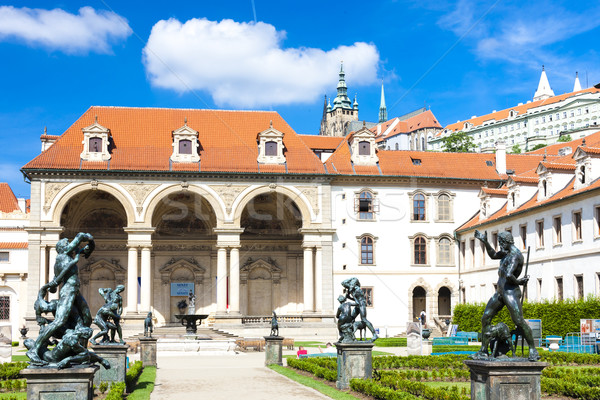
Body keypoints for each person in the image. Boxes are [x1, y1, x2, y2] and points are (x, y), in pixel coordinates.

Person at [27, 233, 94, 365]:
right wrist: (83, 237)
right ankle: (34, 349)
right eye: (66, 243)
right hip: (69, 290)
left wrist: (90, 244)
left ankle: (80, 352)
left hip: (75, 290)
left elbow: (86, 247)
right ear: (63, 248)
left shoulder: (67, 257)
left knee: (87, 319)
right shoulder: (62, 257)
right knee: (59, 320)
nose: (69, 244)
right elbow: (78, 239)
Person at [474, 230, 539, 361]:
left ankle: (533, 349)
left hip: (510, 292)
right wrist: (485, 241)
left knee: (519, 321)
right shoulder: (506, 252)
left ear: (505, 242)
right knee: (486, 317)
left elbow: (509, 275)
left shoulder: (515, 255)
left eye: (500, 243)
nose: (500, 246)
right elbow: (493, 255)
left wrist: (519, 282)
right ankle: (483, 351)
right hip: (500, 292)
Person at [342, 277, 378, 341]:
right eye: (350, 284)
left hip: (362, 305)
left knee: (364, 319)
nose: (350, 286)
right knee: (351, 318)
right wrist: (352, 278)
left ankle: (375, 334)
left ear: (355, 284)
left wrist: (350, 298)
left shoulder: (357, 290)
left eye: (351, 284)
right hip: (358, 305)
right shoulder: (352, 289)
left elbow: (357, 301)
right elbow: (343, 283)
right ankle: (350, 336)